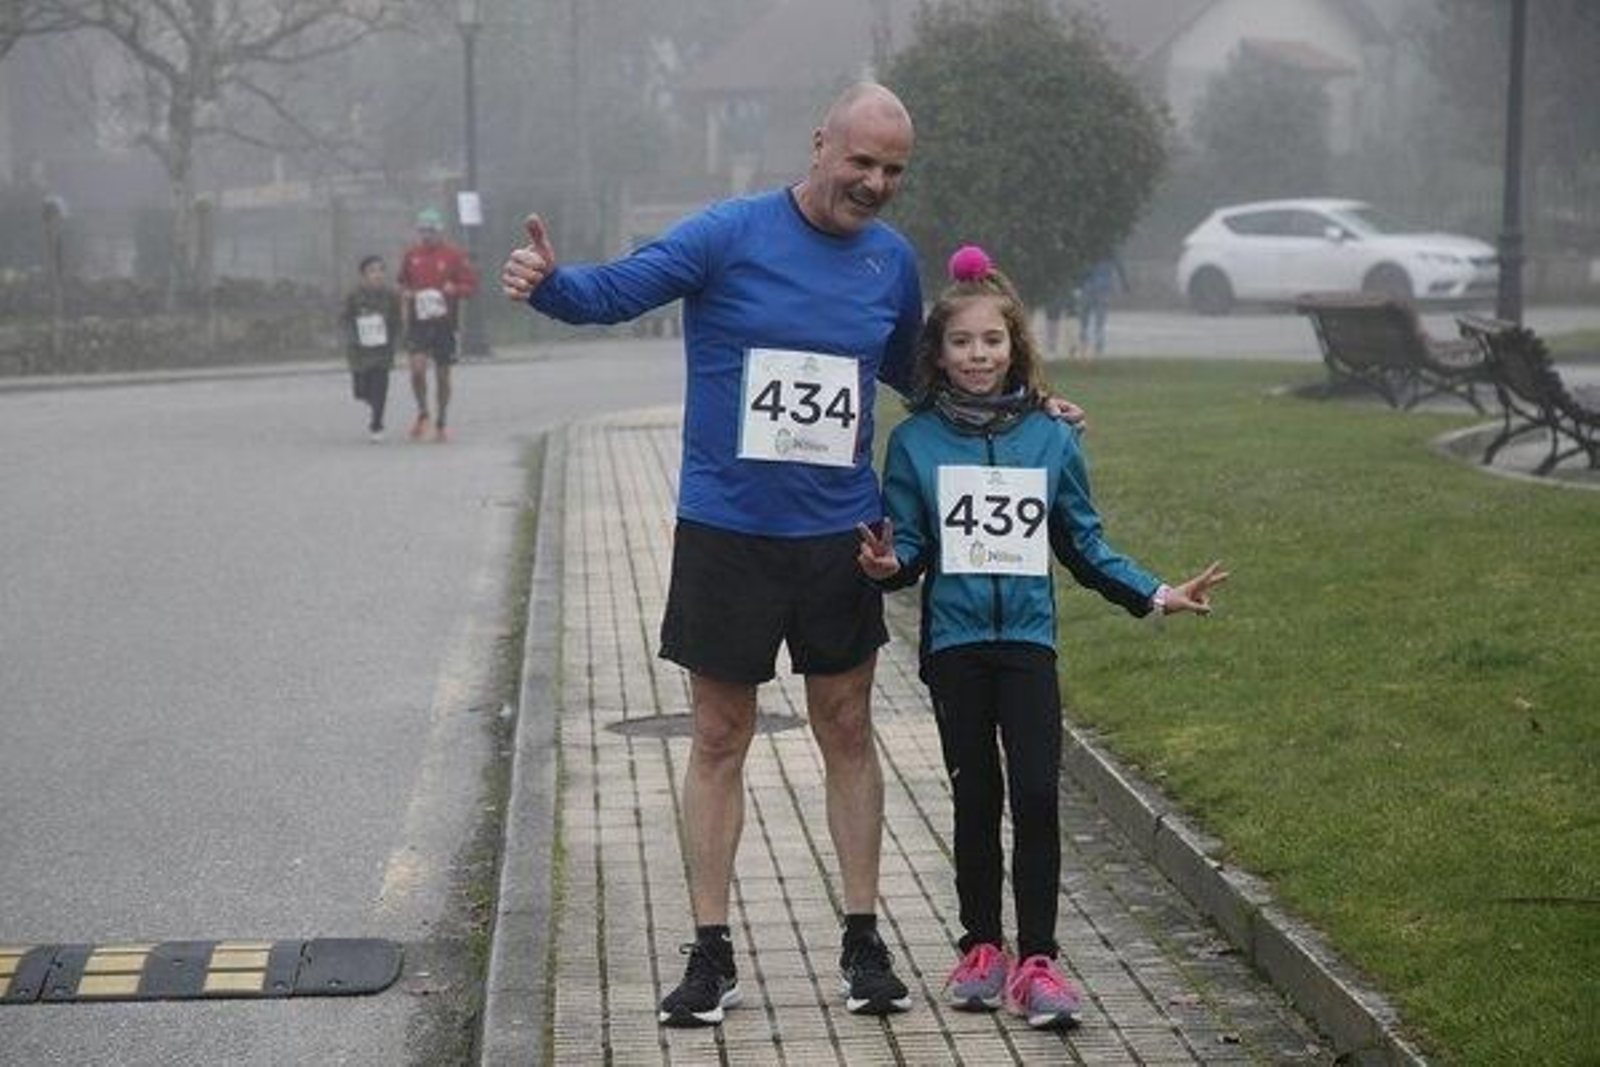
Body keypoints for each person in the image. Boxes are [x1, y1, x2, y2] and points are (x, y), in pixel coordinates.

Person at [857, 244, 1227, 1030]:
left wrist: (1158, 593)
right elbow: (912, 549)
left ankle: (1039, 961)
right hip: (956, 648)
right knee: (975, 795)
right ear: (939, 353)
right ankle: (981, 947)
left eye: (992, 341)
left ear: (1014, 346)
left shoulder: (1053, 438)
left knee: (1034, 794)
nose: (977, 355)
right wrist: (890, 565)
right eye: (961, 343)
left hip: (1028, 645)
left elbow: (1084, 545)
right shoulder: (916, 442)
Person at [398, 207, 477, 443]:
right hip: (419, 322)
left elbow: (470, 286)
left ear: (439, 231)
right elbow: (402, 283)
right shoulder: (411, 255)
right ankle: (423, 413)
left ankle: (441, 419)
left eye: (431, 231)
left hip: (444, 323)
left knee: (443, 376)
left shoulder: (453, 255)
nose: (427, 235)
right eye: (423, 231)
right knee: (417, 369)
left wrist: (456, 289)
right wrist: (407, 294)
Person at [340, 254, 402, 442]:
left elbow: (397, 319)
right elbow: (345, 318)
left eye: (380, 270)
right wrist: (351, 336)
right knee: (360, 390)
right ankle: (372, 401)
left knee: (380, 387)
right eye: (372, 271)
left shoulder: (390, 294)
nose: (377, 275)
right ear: (363, 275)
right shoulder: (353, 295)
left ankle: (377, 423)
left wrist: (394, 338)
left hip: (382, 348)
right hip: (359, 350)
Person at [1075, 254, 1128, 359]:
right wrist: (1124, 283)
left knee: (1087, 318)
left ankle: (1088, 342)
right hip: (1101, 288)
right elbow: (1119, 267)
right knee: (1098, 319)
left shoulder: (1089, 251)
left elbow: (1119, 267)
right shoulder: (1110, 253)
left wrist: (1077, 285)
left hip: (1091, 288)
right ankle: (1096, 344)